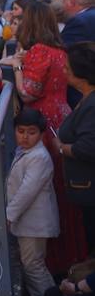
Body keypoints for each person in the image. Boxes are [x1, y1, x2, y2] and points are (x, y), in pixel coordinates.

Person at [5, 1, 86, 273]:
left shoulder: (39, 51)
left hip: (43, 119)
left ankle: (55, 258)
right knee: (60, 189)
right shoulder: (60, 50)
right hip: (62, 115)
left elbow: (29, 92)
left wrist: (17, 66)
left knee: (46, 188)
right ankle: (73, 254)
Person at [7, 109, 59, 296]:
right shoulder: (25, 152)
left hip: (34, 225)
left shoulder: (39, 157)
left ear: (41, 134)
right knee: (33, 266)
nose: (25, 137)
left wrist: (9, 215)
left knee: (34, 268)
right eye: (20, 131)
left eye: (31, 132)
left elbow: (27, 191)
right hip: (30, 223)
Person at [57, 41, 95, 257]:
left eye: (67, 68)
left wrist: (62, 148)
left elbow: (87, 148)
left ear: (81, 75)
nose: (63, 70)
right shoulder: (86, 99)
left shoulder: (92, 104)